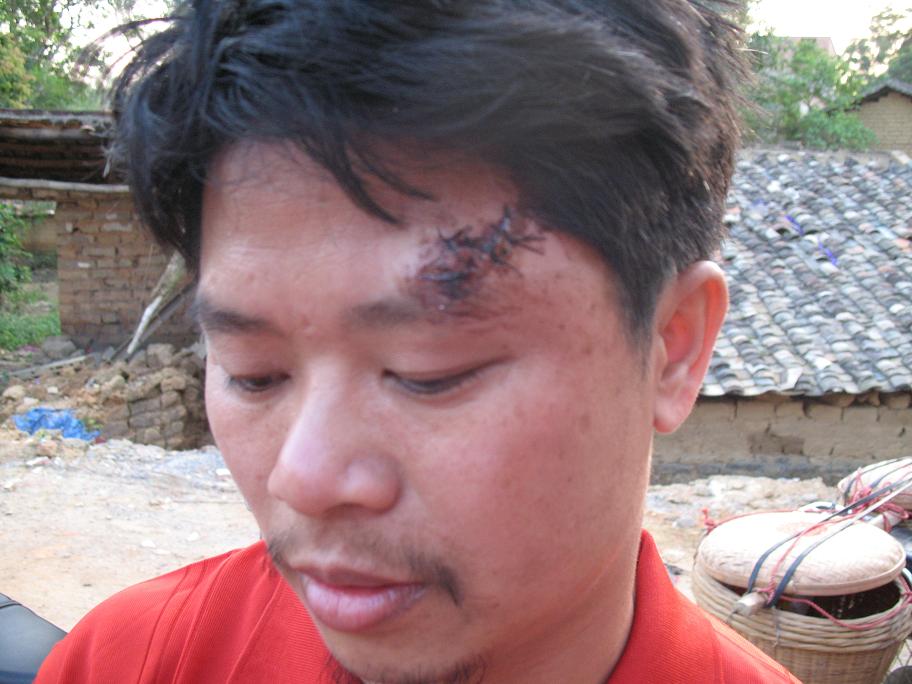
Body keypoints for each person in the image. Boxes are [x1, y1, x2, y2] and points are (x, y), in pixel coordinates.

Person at [36, 1, 801, 682]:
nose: (303, 478)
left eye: (429, 372)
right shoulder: (131, 662)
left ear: (672, 347)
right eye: (254, 374)